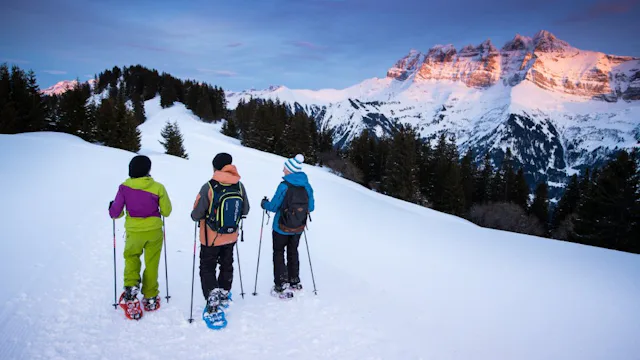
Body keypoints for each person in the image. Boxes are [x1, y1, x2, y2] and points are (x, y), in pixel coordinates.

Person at [109, 155, 172, 312]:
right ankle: (150, 295)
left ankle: (131, 289)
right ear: (148, 170)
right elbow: (167, 211)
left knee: (131, 258)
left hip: (134, 232)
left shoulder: (124, 187)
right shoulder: (158, 187)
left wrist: (112, 207)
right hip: (154, 232)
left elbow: (115, 213)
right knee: (152, 262)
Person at [191, 152, 250, 314]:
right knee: (226, 263)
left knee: (207, 265)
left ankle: (212, 294)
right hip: (231, 235)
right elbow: (246, 209)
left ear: (215, 167)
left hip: (211, 237)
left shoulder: (209, 186)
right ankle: (224, 291)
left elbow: (197, 214)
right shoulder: (239, 185)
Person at [261, 154, 315, 297]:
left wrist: (264, 204)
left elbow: (273, 206)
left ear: (290, 170)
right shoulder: (307, 186)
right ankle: (294, 280)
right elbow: (312, 207)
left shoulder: (284, 186)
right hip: (298, 227)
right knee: (293, 251)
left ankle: (281, 284)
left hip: (281, 227)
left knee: (278, 253)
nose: (283, 170)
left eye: (285, 168)